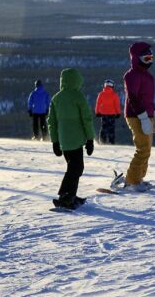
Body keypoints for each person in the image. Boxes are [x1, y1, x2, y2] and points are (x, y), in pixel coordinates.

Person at [47, 68, 95, 209]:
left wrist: (55, 141)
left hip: (63, 141)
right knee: (76, 168)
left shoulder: (56, 98)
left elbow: (51, 122)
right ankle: (66, 196)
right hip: (76, 141)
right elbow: (87, 119)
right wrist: (90, 139)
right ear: (76, 81)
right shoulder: (78, 97)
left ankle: (69, 194)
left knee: (72, 167)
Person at [122, 42, 155, 192]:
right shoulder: (132, 75)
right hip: (136, 115)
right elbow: (133, 99)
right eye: (146, 58)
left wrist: (154, 115)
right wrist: (143, 117)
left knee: (147, 149)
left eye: (151, 58)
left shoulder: (147, 76)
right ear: (137, 58)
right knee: (142, 149)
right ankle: (132, 180)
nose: (149, 61)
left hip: (146, 114)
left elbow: (149, 99)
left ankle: (139, 178)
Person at [95, 79, 122, 144]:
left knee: (103, 127)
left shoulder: (101, 94)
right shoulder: (114, 95)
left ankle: (102, 141)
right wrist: (118, 113)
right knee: (111, 129)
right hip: (112, 114)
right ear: (112, 86)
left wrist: (97, 112)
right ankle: (111, 142)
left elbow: (98, 104)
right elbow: (117, 105)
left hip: (103, 114)